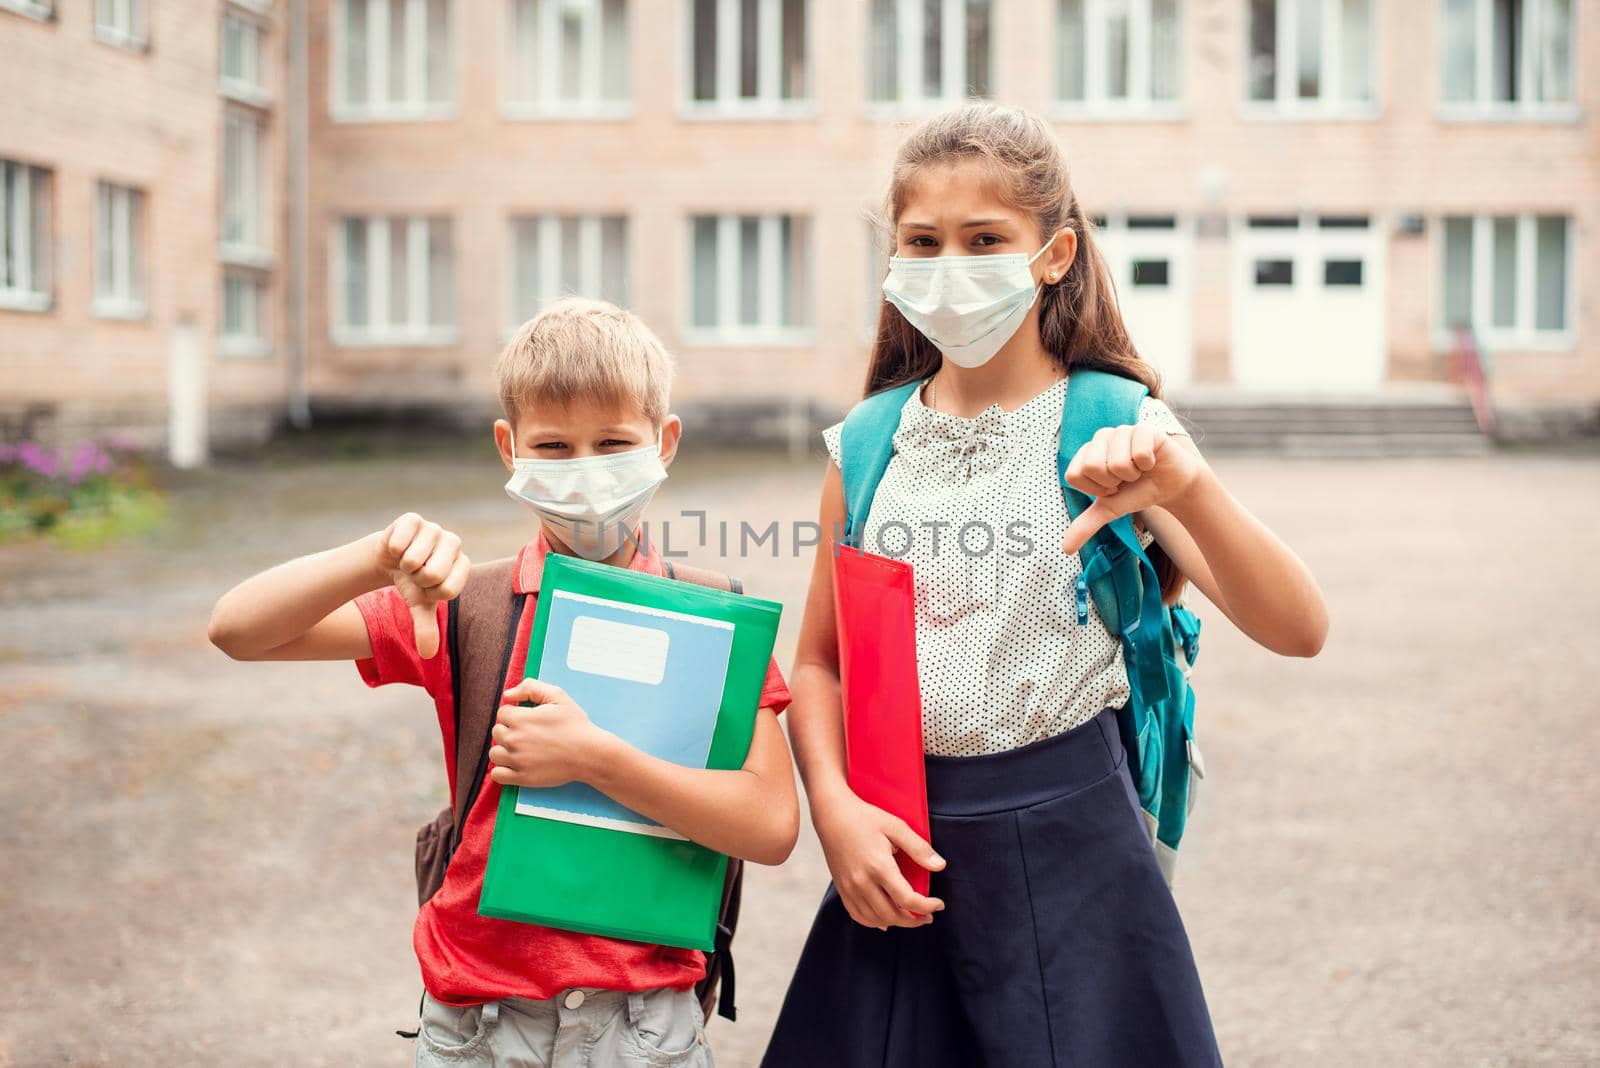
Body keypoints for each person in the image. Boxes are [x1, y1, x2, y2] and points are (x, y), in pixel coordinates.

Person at [763, 103, 1329, 1067]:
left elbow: (1299, 627)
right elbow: (817, 666)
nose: (950, 267)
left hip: (1077, 844)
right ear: (892, 262)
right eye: (922, 243)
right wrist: (837, 811)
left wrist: (1187, 485)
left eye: (985, 240)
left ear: (1054, 253)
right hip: (900, 849)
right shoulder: (865, 445)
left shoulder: (1118, 427)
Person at [209, 298, 798, 1068]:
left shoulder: (718, 621)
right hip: (476, 1023)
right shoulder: (462, 606)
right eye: (552, 446)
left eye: (613, 442)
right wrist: (374, 556)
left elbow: (771, 825)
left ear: (666, 441)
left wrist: (595, 758)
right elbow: (238, 629)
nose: (584, 469)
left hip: (645, 1027)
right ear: (508, 448)